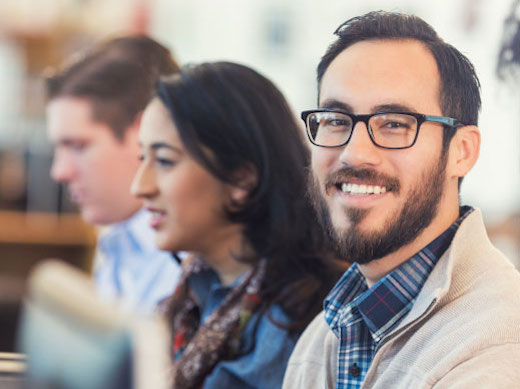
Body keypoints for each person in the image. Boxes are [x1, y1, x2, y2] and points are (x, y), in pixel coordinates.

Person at [283, 11, 520, 388]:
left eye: (394, 123)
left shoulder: (499, 343)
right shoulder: (326, 331)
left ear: (462, 151)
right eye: (336, 120)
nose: (354, 154)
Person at [131, 61, 345, 389]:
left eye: (164, 161)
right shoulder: (199, 288)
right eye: (141, 158)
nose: (139, 186)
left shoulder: (289, 325)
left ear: (241, 180)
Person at [46, 35, 182, 314]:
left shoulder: (188, 258)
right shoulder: (117, 235)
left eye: (78, 146)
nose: (59, 172)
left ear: (145, 131)